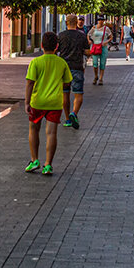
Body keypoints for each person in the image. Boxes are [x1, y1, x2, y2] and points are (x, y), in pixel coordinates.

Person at [24, 31, 72, 176]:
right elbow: (67, 82)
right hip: (54, 103)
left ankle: (34, 160)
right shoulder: (61, 63)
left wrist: (27, 102)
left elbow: (30, 83)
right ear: (57, 46)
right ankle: (48, 165)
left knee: (33, 130)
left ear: (42, 46)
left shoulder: (35, 62)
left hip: (37, 102)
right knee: (51, 133)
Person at [56, 14, 88, 129]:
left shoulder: (61, 36)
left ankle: (68, 119)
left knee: (65, 93)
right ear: (76, 22)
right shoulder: (81, 36)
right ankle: (74, 113)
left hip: (64, 69)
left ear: (66, 23)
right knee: (78, 94)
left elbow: (56, 50)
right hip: (77, 67)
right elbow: (87, 51)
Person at [88, 17, 111, 85]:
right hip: (95, 46)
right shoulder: (94, 28)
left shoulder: (106, 29)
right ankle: (96, 76)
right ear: (97, 21)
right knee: (95, 63)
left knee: (102, 63)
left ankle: (101, 78)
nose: (100, 21)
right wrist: (89, 40)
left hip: (103, 47)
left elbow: (111, 37)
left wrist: (106, 41)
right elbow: (88, 34)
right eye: (99, 20)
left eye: (102, 20)